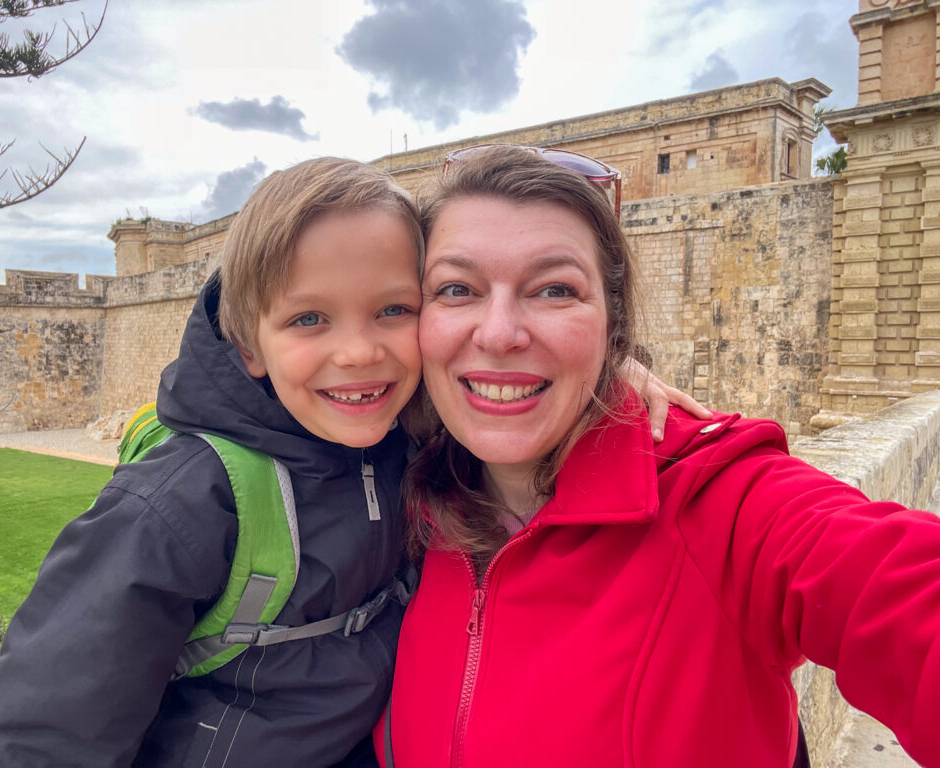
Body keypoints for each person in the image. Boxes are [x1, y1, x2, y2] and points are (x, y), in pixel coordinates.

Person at [0, 155, 695, 768]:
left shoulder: (411, 437)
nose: (359, 352)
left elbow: (517, 387)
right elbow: (43, 733)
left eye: (393, 311)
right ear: (249, 344)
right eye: (309, 319)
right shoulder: (185, 500)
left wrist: (609, 371)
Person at [377, 145, 940, 768]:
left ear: (612, 326)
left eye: (555, 290)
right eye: (457, 289)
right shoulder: (394, 494)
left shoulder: (721, 502)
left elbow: (897, 589)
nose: (500, 332)